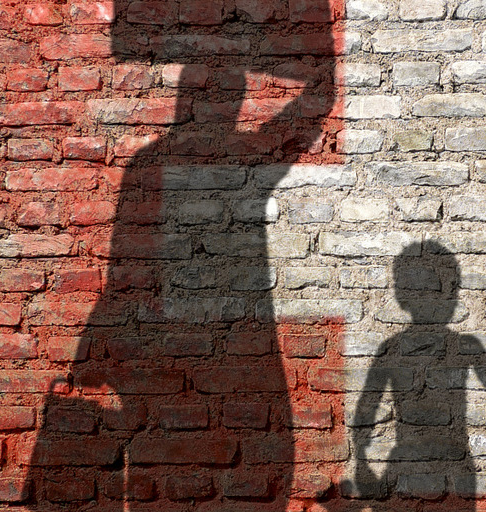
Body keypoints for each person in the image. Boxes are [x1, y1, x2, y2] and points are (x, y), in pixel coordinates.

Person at [25, 1, 337, 509]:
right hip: (227, 332)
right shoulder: (244, 157)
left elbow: (119, 264)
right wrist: (320, 66)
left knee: (170, 465)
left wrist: (95, 348)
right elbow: (313, 109)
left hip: (167, 331)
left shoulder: (162, 161)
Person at [347, 241, 486, 510]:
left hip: (438, 466)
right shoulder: (464, 346)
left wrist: (361, 460)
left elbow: (365, 410)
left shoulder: (396, 348)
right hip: (439, 466)